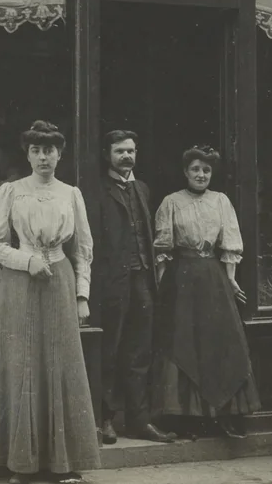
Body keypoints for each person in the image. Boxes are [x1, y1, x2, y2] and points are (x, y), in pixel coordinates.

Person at [0, 122, 100, 484]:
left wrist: (82, 294)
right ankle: (19, 463)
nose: (43, 157)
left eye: (50, 150)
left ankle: (61, 464)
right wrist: (27, 261)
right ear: (27, 154)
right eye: (36, 150)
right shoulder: (11, 191)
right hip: (18, 283)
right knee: (21, 364)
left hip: (59, 283)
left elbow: (83, 248)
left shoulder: (71, 194)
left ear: (60, 154)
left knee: (59, 365)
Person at [150, 145, 260, 439]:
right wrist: (163, 285)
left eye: (206, 170)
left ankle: (223, 414)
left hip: (213, 278)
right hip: (182, 280)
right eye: (195, 169)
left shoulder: (221, 201)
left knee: (219, 342)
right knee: (185, 342)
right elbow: (161, 249)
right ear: (186, 172)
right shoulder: (171, 202)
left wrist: (231, 279)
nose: (201, 175)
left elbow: (230, 242)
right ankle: (187, 418)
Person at [91, 130, 177, 444]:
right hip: (113, 282)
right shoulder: (97, 190)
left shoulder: (142, 188)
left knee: (140, 352)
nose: (126, 156)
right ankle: (106, 420)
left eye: (131, 151)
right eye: (119, 151)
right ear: (107, 155)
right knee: (110, 351)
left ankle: (139, 421)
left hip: (143, 280)